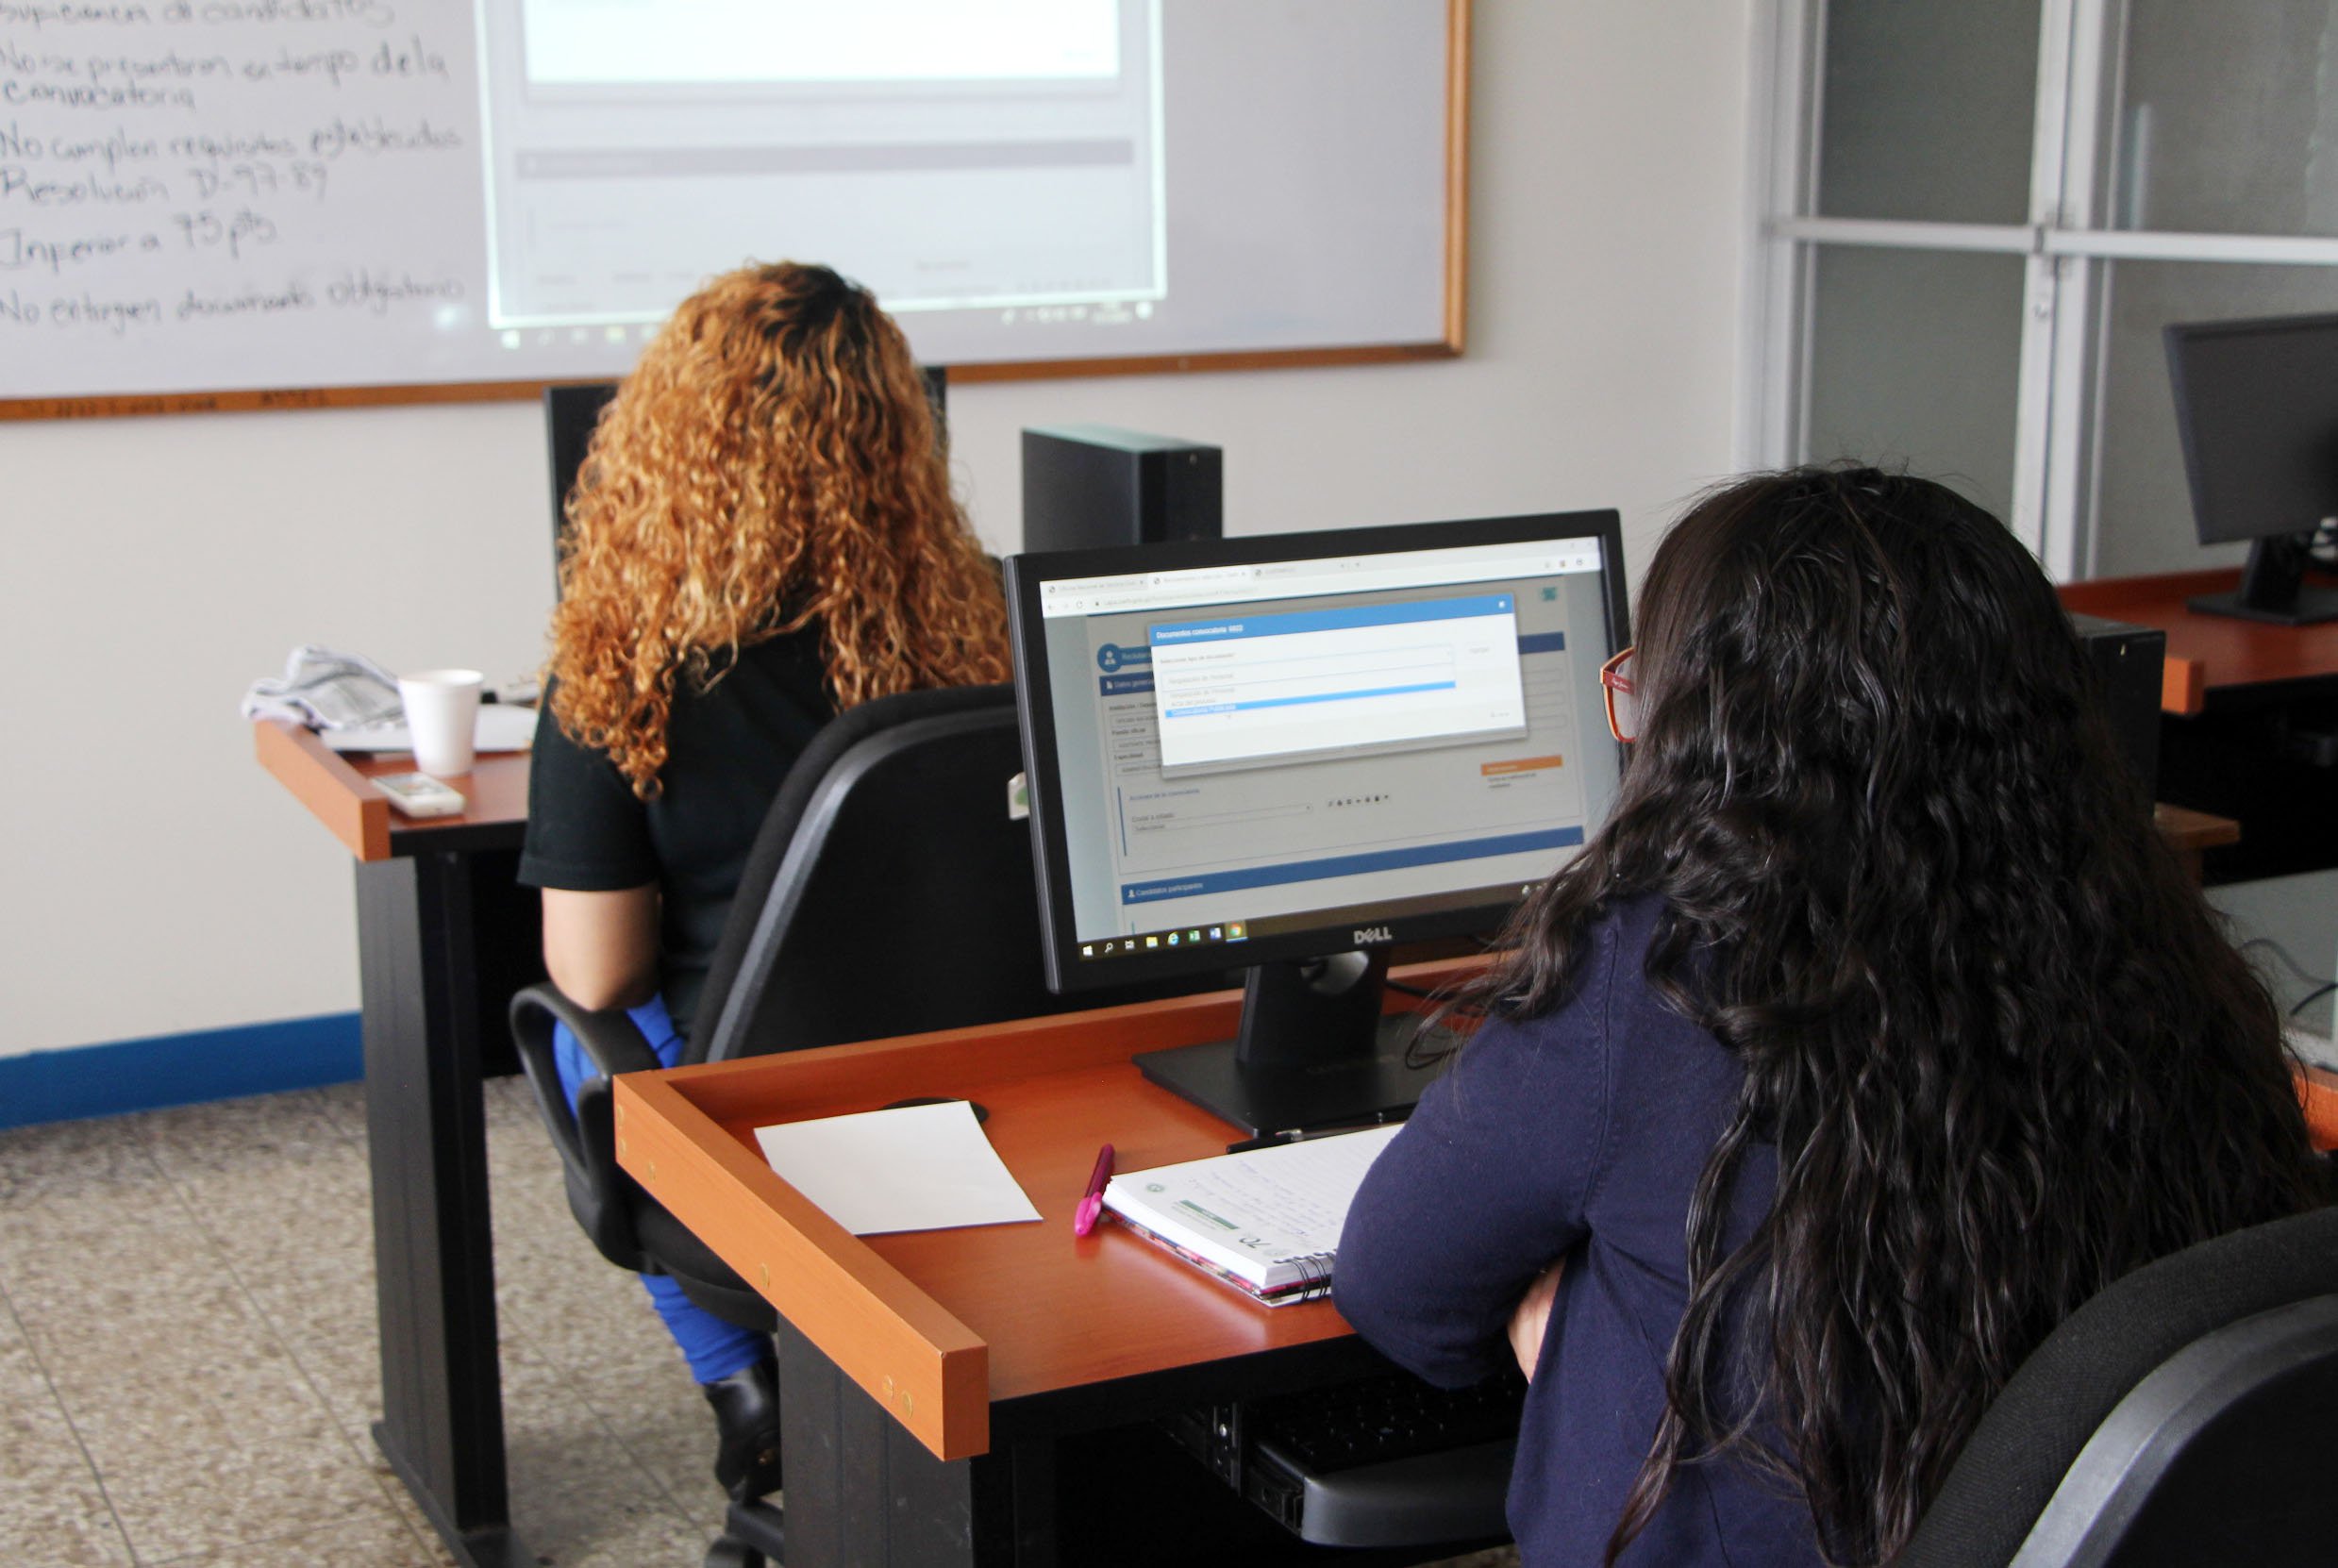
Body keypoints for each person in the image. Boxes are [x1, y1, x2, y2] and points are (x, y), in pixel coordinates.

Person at [1334, 466, 2329, 1568]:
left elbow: (1398, 1290)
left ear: (1705, 730)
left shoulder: (1661, 963)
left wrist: (1574, 1343)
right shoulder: (2145, 941)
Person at [516, 260, 1010, 1501]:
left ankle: (740, 1374)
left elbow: (597, 969)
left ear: (664, 436)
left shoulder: (617, 672)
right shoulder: (990, 622)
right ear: (902, 437)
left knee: (582, 1025)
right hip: (990, 1088)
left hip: (757, 1116)